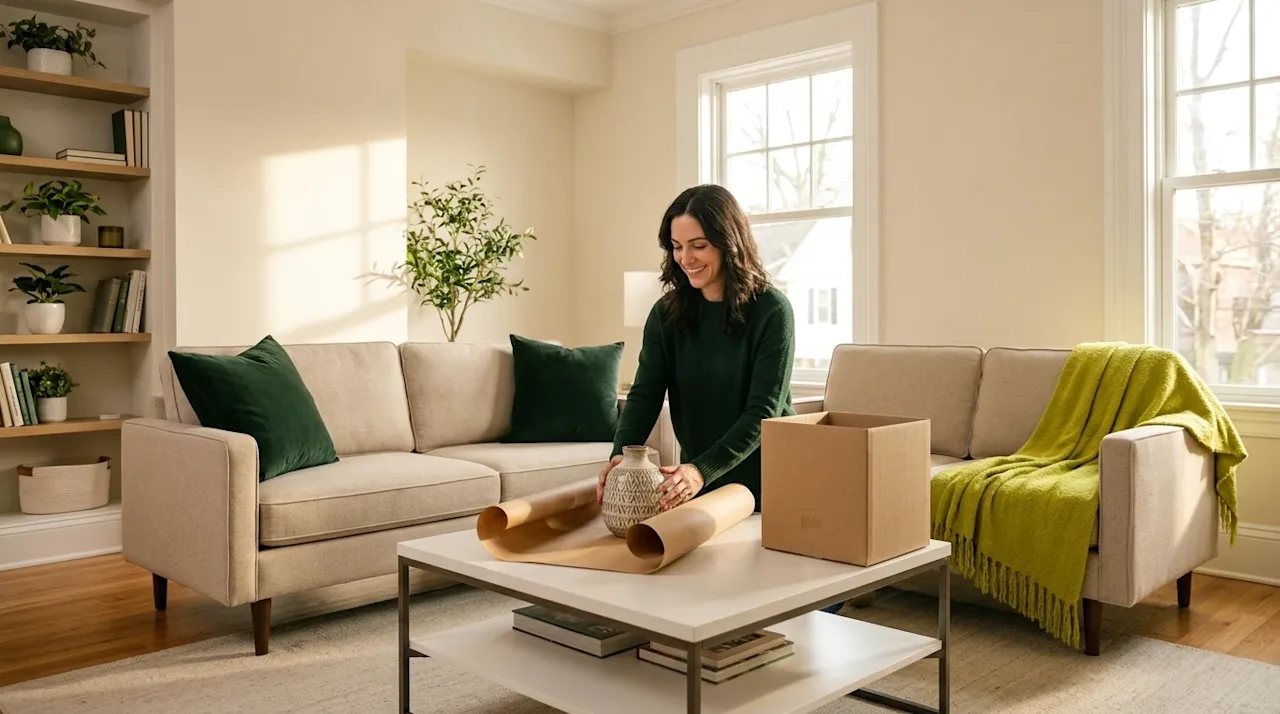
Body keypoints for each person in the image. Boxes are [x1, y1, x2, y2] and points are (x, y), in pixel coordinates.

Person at [597, 182, 795, 515]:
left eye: (698, 245)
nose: (685, 259)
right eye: (676, 247)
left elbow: (763, 413)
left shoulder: (773, 311)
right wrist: (621, 454)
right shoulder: (666, 314)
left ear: (728, 244)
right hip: (699, 483)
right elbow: (645, 394)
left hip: (769, 483)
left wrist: (701, 469)